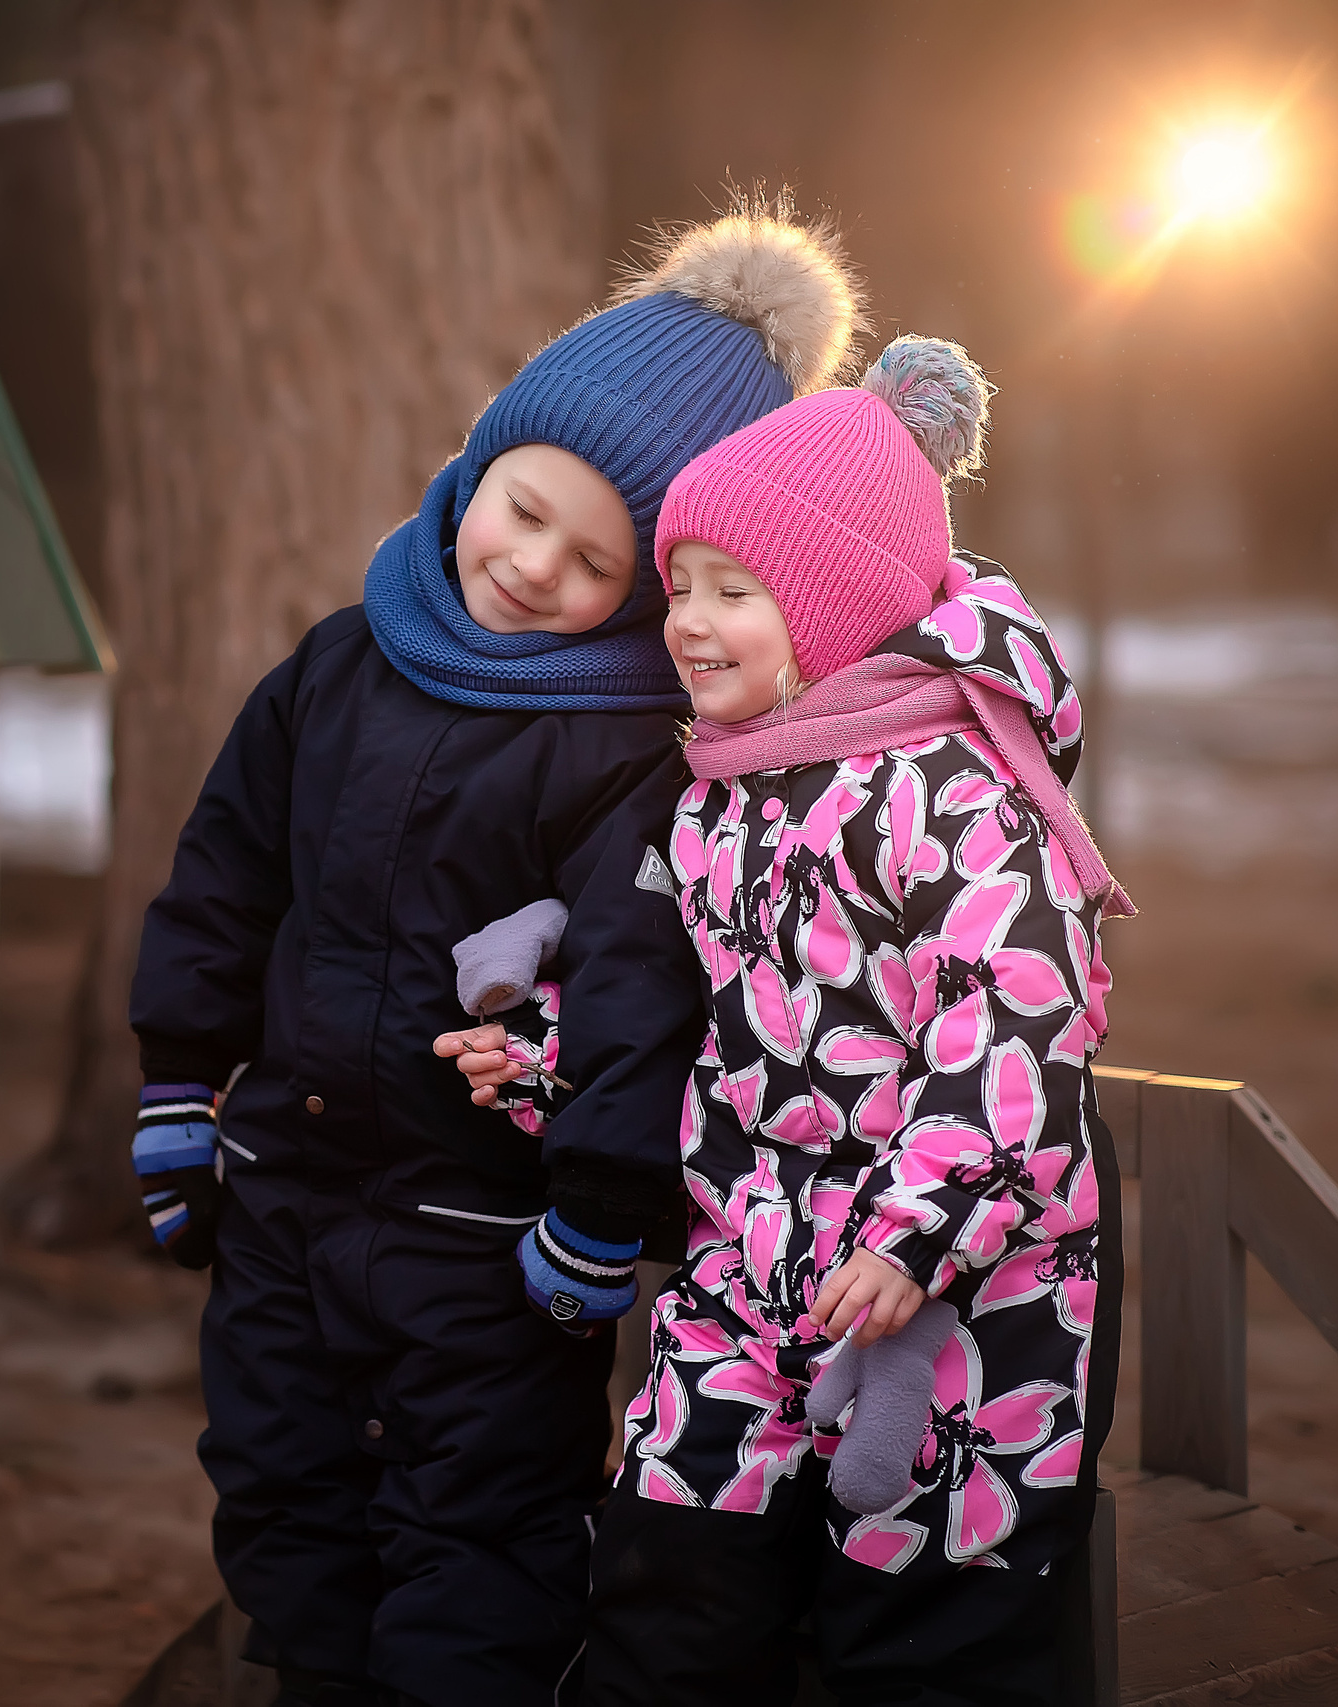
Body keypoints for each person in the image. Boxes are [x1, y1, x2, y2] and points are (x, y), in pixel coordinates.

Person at [126, 204, 861, 1707]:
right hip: (286, 1192)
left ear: (646, 596)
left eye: (595, 563)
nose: (533, 568)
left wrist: (595, 1212)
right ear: (479, 464)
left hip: (487, 1240)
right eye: (524, 508)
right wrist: (181, 1084)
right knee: (276, 1485)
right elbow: (225, 877)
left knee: (485, 1537)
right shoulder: (338, 661)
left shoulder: (615, 757)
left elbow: (644, 986)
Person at [449, 335, 1130, 1705]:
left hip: (958, 1299)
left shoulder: (950, 791)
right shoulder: (724, 795)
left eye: (733, 592)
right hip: (747, 1264)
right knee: (665, 1585)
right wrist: (552, 1060)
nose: (688, 622)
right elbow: (716, 1016)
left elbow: (1013, 1025)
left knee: (924, 1635)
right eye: (680, 590)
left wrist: (916, 1237)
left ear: (831, 609)